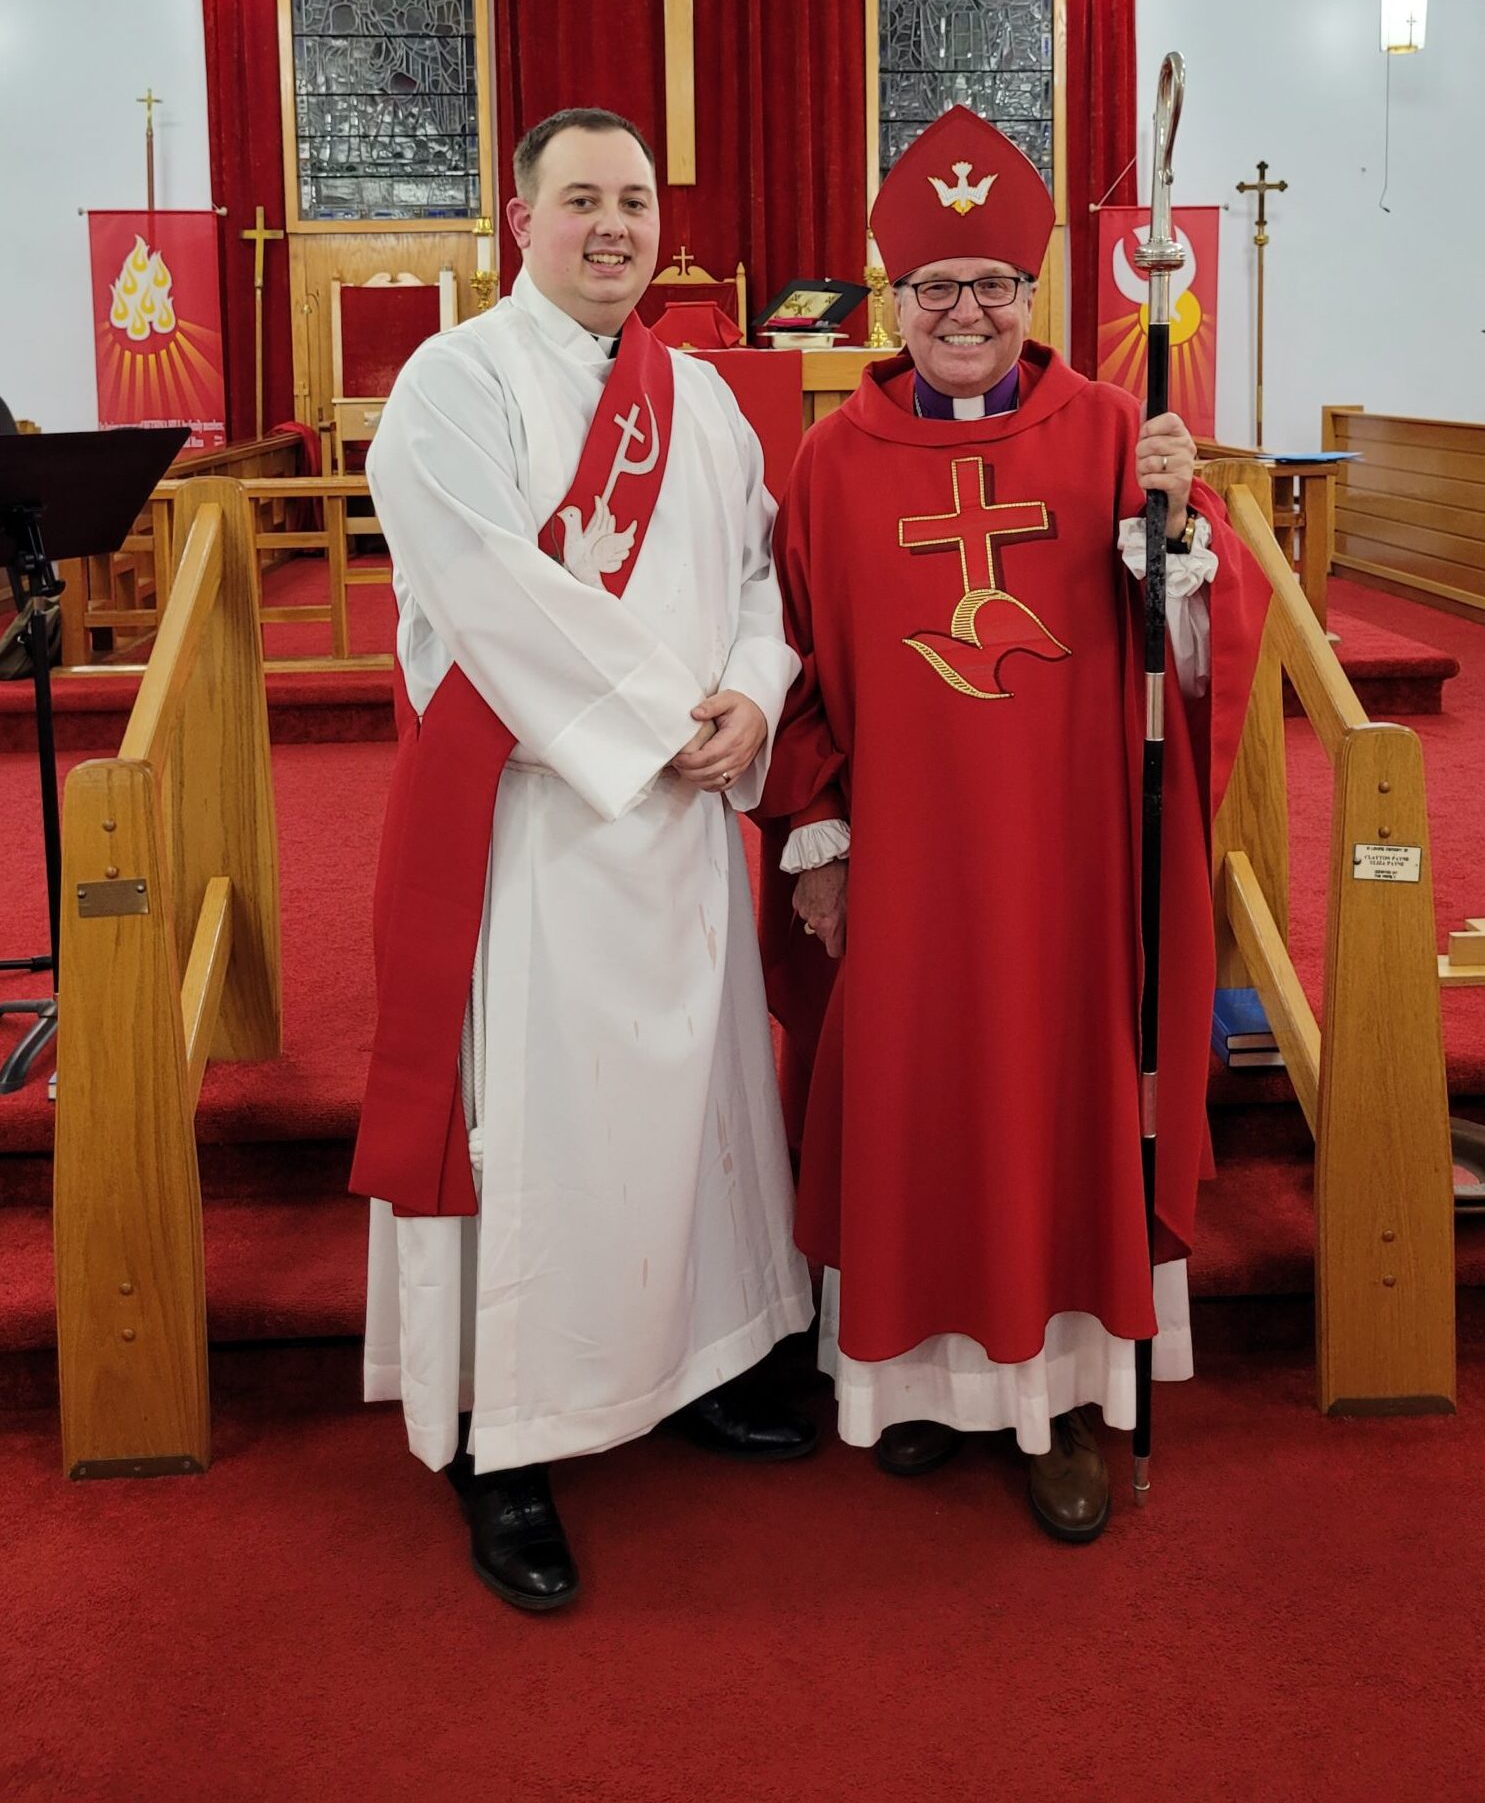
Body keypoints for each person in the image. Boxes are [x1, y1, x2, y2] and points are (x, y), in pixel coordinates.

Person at [760, 105, 1266, 1543]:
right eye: (934, 287)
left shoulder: (1117, 434)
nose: (963, 311)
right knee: (918, 1098)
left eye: (990, 284)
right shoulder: (831, 460)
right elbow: (785, 662)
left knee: (1053, 1103)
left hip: (1068, 865)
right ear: (892, 302)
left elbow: (1196, 638)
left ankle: (1056, 1410)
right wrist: (818, 836)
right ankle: (920, 1381)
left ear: (1032, 298)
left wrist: (1175, 546)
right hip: (905, 868)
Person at [351, 107, 816, 1613]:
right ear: (520, 217)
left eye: (634, 201)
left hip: (678, 815)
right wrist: (648, 720)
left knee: (687, 1108)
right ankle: (514, 1438)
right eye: (582, 201)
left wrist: (748, 696)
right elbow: (483, 590)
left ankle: (692, 1362)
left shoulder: (703, 395)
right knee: (543, 1135)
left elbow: (759, 570)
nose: (613, 226)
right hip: (539, 825)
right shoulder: (452, 383)